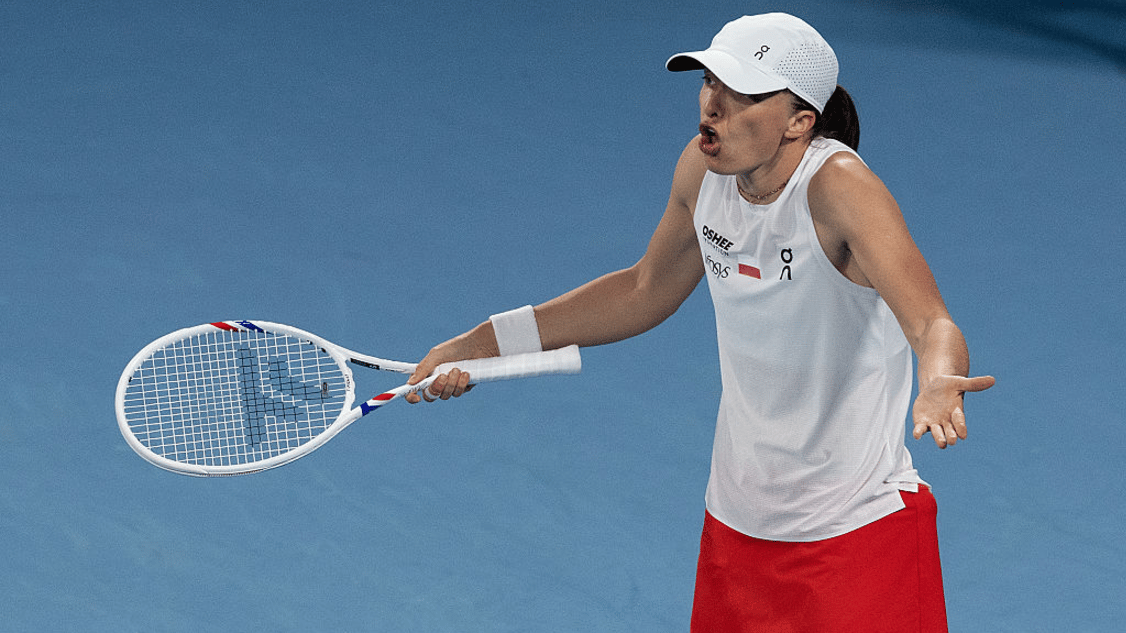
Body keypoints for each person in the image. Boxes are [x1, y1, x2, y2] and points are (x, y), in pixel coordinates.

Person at [405, 12, 994, 633]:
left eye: (740, 93)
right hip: (738, 527)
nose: (712, 105)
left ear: (800, 121)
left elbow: (932, 323)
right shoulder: (702, 169)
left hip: (857, 535)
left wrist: (937, 379)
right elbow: (643, 290)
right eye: (710, 81)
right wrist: (486, 342)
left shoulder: (840, 188)